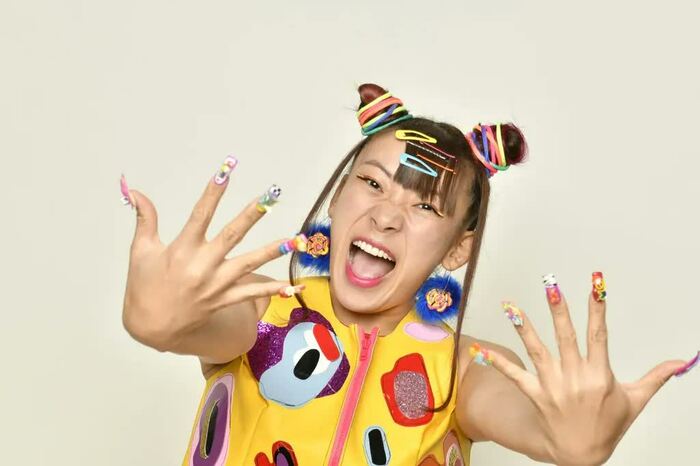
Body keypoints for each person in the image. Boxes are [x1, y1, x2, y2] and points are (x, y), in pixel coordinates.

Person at [120, 84, 698, 466]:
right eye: (372, 183)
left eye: (425, 206)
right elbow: (178, 325)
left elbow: (538, 424)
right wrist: (159, 315)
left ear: (458, 247)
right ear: (339, 198)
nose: (386, 216)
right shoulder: (259, 311)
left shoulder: (464, 371)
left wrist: (571, 439)